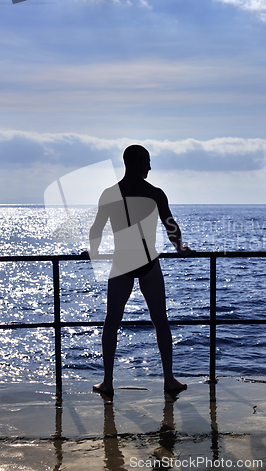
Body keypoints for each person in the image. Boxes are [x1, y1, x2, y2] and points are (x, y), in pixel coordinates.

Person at [89, 145, 195, 397]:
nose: (150, 167)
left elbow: (97, 229)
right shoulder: (155, 193)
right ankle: (169, 380)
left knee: (111, 323)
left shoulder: (109, 194)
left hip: (122, 261)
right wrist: (180, 248)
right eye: (147, 161)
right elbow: (171, 226)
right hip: (148, 261)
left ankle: (107, 382)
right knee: (161, 322)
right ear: (136, 163)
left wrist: (92, 252)